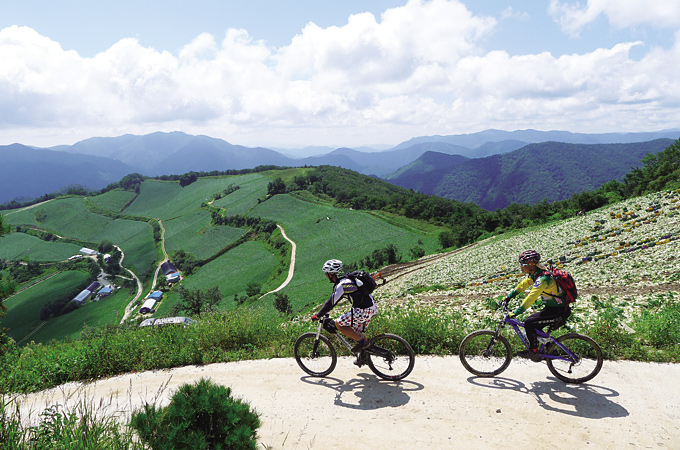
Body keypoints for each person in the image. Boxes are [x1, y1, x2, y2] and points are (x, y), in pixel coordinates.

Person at [505, 250, 572, 362]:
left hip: (558, 310)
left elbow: (531, 297)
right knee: (535, 328)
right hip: (553, 308)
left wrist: (517, 312)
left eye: (522, 264)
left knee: (529, 323)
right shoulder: (537, 274)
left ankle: (533, 351)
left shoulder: (543, 279)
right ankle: (551, 349)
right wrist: (509, 296)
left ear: (531, 265)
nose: (521, 267)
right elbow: (524, 284)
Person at [311, 259, 378, 354]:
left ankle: (362, 343)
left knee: (339, 324)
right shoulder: (349, 278)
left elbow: (331, 302)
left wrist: (318, 315)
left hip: (363, 311)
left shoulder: (342, 285)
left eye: (326, 273)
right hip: (371, 308)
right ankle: (365, 357)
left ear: (331, 274)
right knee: (357, 333)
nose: (326, 276)